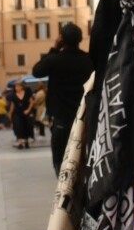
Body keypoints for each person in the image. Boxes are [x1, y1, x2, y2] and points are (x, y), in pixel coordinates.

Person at [31, 22, 94, 173]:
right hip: (84, 119)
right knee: (83, 162)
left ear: (61, 39)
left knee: (61, 164)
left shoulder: (54, 60)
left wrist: (54, 48)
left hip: (61, 121)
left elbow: (37, 71)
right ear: (79, 39)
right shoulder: (88, 60)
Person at [8, 79, 35, 149]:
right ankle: (20, 143)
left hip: (26, 113)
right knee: (18, 127)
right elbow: (12, 105)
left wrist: (28, 110)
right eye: (15, 87)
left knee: (27, 126)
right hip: (17, 113)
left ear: (21, 87)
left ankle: (26, 141)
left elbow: (31, 102)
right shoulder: (13, 95)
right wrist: (10, 113)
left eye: (17, 86)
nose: (16, 88)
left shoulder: (27, 93)